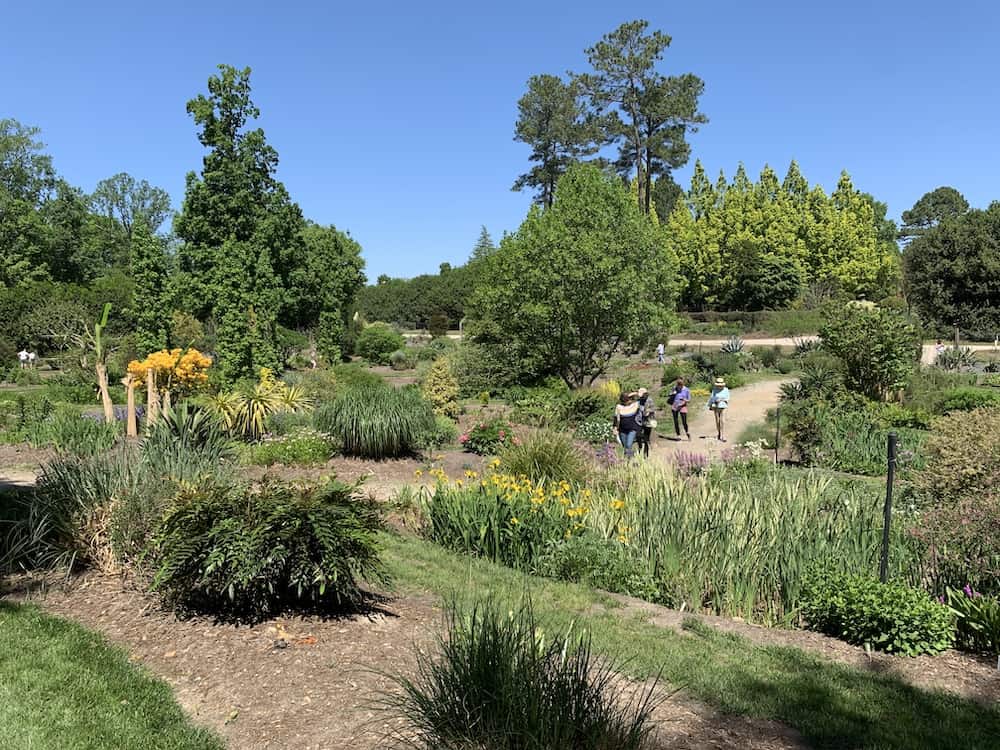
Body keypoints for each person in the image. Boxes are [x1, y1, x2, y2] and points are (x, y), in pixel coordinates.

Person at [613, 391, 642, 460]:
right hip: (622, 430)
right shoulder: (619, 407)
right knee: (625, 447)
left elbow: (642, 396)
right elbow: (616, 419)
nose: (628, 401)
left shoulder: (635, 405)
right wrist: (615, 428)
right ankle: (628, 461)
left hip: (632, 429)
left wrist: (633, 393)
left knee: (629, 445)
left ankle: (630, 460)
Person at [707, 377, 730, 442]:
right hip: (716, 406)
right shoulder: (714, 390)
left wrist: (721, 400)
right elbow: (712, 398)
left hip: (723, 406)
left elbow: (727, 398)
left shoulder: (726, 390)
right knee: (717, 421)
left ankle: (723, 435)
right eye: (718, 385)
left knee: (722, 420)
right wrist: (713, 402)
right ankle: (719, 433)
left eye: (720, 385)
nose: (719, 386)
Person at [635, 387, 656, 458]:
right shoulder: (639, 400)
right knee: (638, 435)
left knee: (646, 438)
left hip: (648, 421)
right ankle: (640, 447)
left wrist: (648, 411)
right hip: (639, 421)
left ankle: (645, 454)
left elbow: (653, 409)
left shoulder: (649, 400)